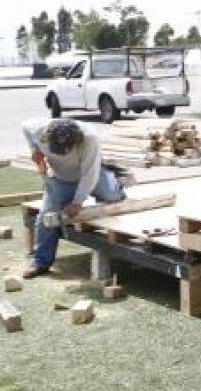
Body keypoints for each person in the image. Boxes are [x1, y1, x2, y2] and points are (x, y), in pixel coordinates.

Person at [21, 118, 128, 279]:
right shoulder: (39, 130)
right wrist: (34, 149)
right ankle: (40, 262)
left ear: (77, 140)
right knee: (46, 217)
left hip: (92, 173)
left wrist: (77, 202)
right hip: (62, 178)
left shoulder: (89, 138)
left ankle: (116, 182)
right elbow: (25, 126)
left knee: (112, 195)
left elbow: (89, 175)